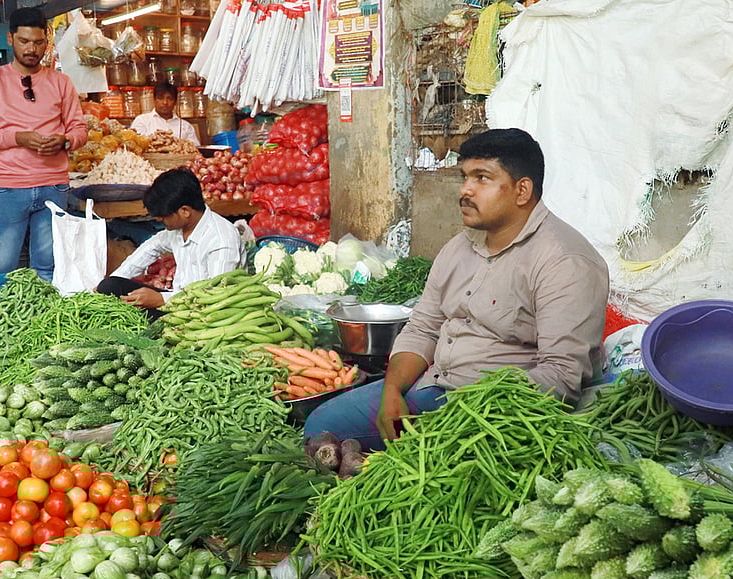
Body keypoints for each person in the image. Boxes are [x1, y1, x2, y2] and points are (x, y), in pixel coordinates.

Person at [305, 128, 610, 450]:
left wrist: (461, 417)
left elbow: (561, 375)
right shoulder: (459, 247)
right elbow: (423, 328)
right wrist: (392, 391)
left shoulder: (565, 261)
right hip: (434, 385)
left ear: (522, 191)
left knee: (413, 456)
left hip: (498, 413)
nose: (465, 190)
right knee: (320, 428)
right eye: (465, 177)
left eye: (482, 178)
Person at [0, 6, 88, 282]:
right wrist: (19, 138)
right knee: (2, 265)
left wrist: (65, 140)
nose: (32, 49)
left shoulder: (61, 82)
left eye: (38, 42)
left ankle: (43, 310)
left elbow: (80, 130)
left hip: (54, 186)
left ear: (46, 41)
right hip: (11, 187)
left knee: (48, 265)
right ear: (10, 39)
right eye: (24, 41)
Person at [97, 167, 241, 320]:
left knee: (133, 316)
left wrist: (161, 300)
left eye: (163, 217)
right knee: (109, 287)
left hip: (205, 312)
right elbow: (151, 247)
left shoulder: (221, 238)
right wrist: (117, 277)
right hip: (176, 299)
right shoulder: (179, 229)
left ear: (185, 211)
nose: (160, 220)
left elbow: (217, 294)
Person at [129, 82, 199, 144]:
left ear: (175, 102)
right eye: (160, 98)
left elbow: (195, 149)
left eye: (170, 99)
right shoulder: (142, 121)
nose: (165, 102)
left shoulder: (186, 126)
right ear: (154, 100)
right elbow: (135, 146)